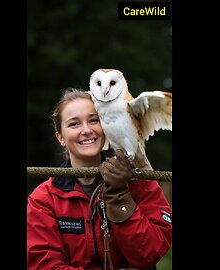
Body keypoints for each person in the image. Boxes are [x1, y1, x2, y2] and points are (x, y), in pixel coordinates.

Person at [27, 87, 172, 270]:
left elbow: (151, 252)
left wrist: (120, 198)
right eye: (74, 124)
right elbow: (42, 264)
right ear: (61, 137)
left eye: (93, 120)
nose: (86, 130)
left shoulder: (140, 183)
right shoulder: (44, 199)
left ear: (104, 125)